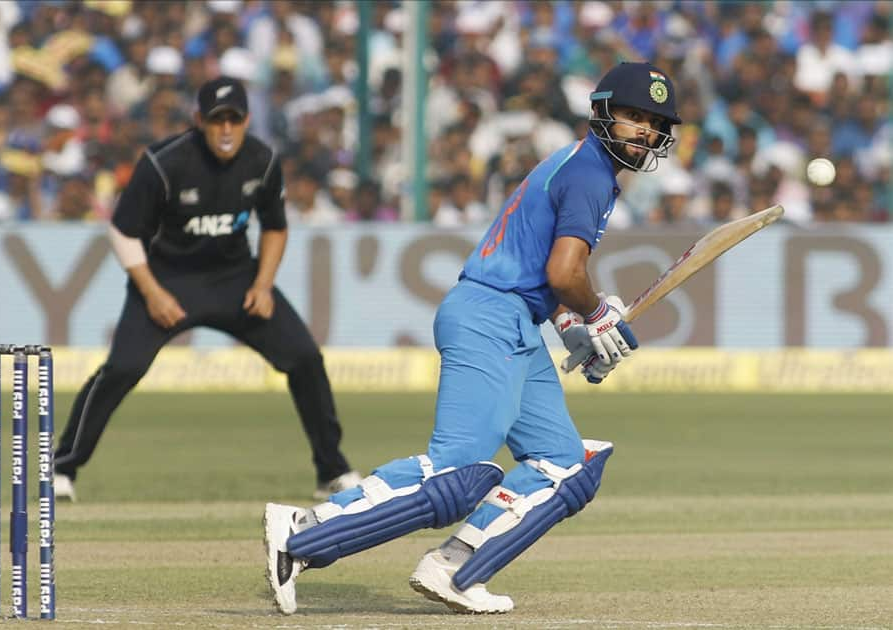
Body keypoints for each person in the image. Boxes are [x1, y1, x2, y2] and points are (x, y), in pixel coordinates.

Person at [263, 61, 680, 615]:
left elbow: (541, 271)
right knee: (460, 471)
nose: (644, 133)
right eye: (632, 117)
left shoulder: (581, 167)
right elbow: (564, 273)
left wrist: (573, 326)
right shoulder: (591, 175)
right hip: (490, 314)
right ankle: (302, 532)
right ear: (601, 112)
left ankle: (457, 567)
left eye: (654, 123)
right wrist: (599, 313)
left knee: (565, 464)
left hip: (513, 318)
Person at [53, 76, 361, 502]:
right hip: (166, 280)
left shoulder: (262, 160)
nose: (227, 129)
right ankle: (62, 467)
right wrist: (152, 292)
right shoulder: (164, 163)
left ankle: (332, 470)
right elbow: (123, 232)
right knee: (122, 368)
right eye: (217, 121)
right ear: (199, 121)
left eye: (235, 119)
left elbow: (275, 227)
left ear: (248, 120)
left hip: (234, 279)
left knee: (305, 358)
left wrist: (264, 284)